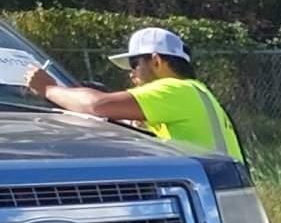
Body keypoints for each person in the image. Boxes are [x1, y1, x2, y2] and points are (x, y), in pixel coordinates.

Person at [24, 26, 244, 160]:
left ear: (156, 60)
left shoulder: (176, 90)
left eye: (134, 64)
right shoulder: (196, 91)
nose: (131, 74)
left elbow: (98, 106)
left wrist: (48, 88)